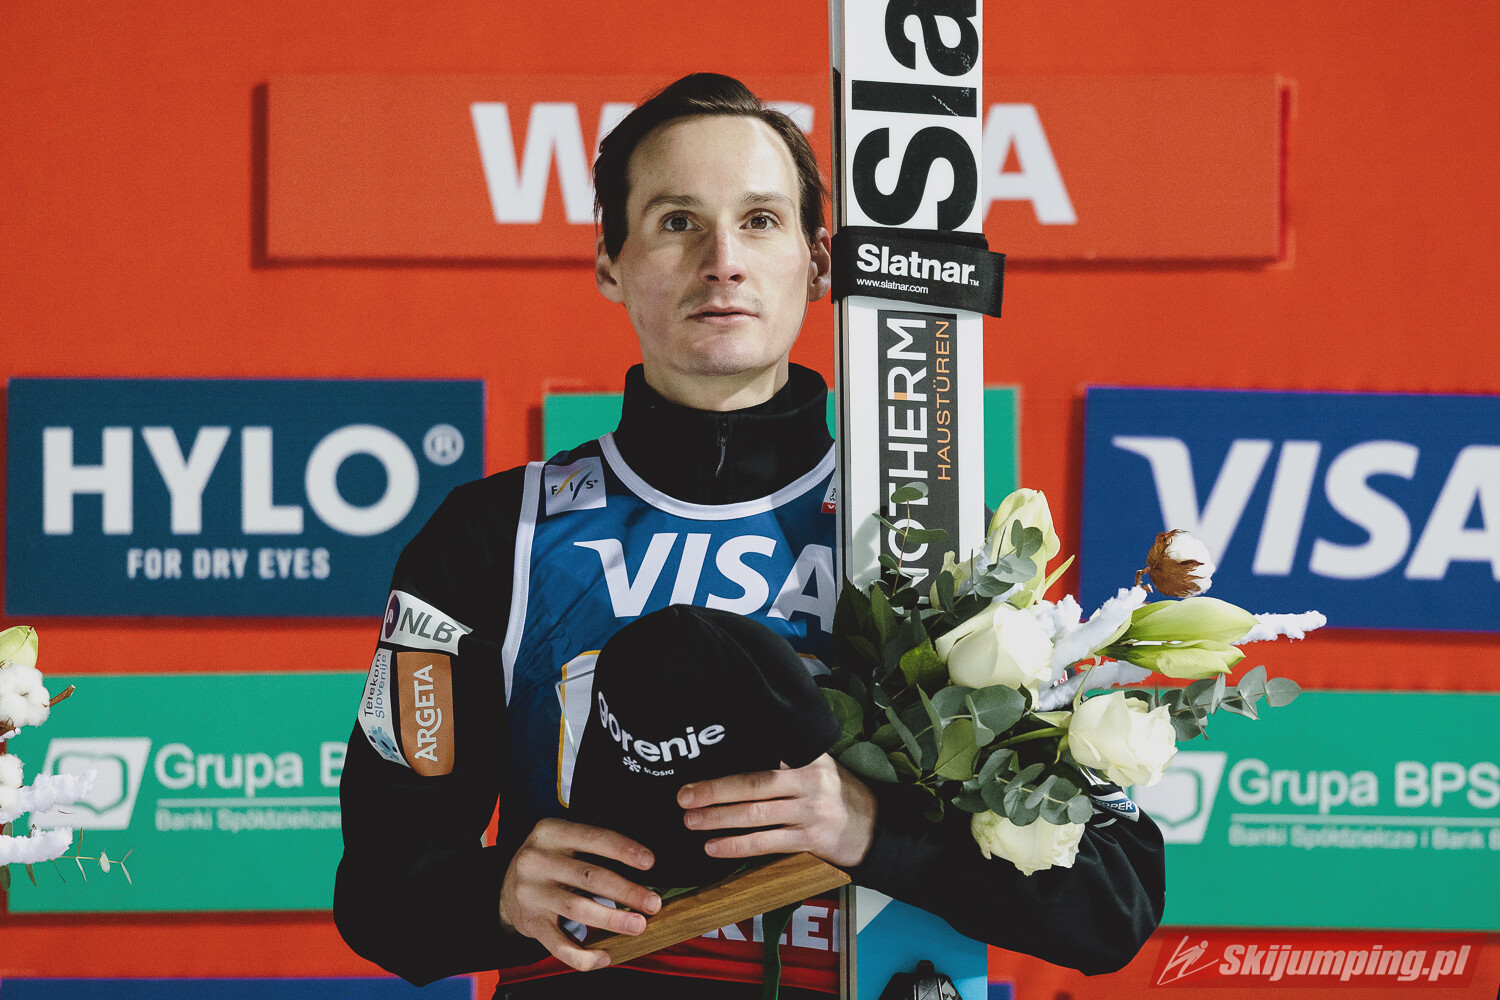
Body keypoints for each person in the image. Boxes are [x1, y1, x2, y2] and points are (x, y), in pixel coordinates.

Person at [334, 73, 1164, 1000]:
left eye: (760, 220)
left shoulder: (933, 541)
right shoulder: (495, 537)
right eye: (677, 222)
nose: (722, 260)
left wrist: (868, 829)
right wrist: (496, 893)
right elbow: (377, 892)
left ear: (818, 260)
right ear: (609, 262)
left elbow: (1114, 900)